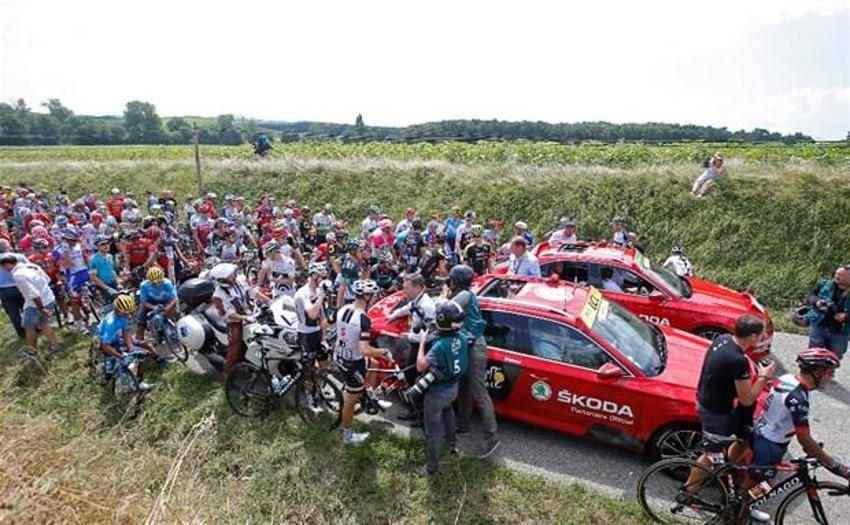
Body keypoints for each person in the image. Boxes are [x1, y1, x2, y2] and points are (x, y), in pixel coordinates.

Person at [684, 315, 774, 496]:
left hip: (707, 399)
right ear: (752, 337)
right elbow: (747, 399)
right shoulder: (737, 360)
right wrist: (764, 377)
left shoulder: (723, 340)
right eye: (762, 335)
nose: (764, 339)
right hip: (715, 411)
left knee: (744, 438)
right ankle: (688, 493)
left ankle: (722, 470)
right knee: (710, 455)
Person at [748, 349, 849, 500]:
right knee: (756, 486)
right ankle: (736, 514)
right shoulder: (798, 398)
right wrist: (836, 466)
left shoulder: (787, 378)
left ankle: (741, 508)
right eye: (830, 373)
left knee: (763, 483)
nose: (832, 378)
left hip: (765, 435)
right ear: (817, 372)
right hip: (770, 445)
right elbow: (805, 439)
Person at [444, 265, 500, 458]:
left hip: (474, 347)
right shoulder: (465, 295)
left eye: (451, 279)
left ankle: (491, 437)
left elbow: (445, 309)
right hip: (467, 344)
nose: (448, 282)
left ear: (456, 281)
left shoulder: (464, 296)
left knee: (478, 391)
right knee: (464, 386)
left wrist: (444, 294)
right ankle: (463, 426)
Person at [416, 300, 469, 476]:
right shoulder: (461, 337)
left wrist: (423, 342)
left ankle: (432, 468)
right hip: (453, 387)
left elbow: (420, 366)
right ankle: (452, 445)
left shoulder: (439, 346)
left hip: (437, 392)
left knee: (432, 432)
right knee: (448, 412)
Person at [335, 279, 390, 445]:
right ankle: (347, 436)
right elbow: (364, 349)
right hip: (352, 362)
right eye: (373, 295)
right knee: (350, 402)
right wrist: (384, 352)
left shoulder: (344, 309)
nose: (374, 298)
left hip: (340, 354)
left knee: (374, 363)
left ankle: (370, 395)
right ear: (366, 296)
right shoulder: (363, 319)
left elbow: (327, 324)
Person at [96, 294, 156, 391]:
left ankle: (139, 381)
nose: (127, 315)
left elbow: (125, 331)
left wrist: (131, 348)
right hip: (105, 342)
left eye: (128, 313)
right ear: (117, 310)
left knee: (144, 355)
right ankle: (107, 375)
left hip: (116, 338)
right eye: (124, 313)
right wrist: (119, 355)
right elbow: (104, 346)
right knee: (109, 373)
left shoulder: (123, 315)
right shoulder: (110, 323)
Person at [2, 253, 59, 354]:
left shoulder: (18, 275)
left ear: (7, 265)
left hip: (35, 304)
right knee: (44, 323)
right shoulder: (32, 266)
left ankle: (31, 351)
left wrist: (41, 308)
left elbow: (34, 294)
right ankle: (54, 346)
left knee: (28, 326)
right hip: (48, 297)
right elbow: (47, 279)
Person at [210, 263, 253, 376]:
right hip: (235, 321)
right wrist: (246, 318)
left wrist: (268, 301)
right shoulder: (218, 296)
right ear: (222, 280)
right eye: (230, 276)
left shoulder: (239, 281)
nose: (234, 276)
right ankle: (227, 372)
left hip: (250, 313)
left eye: (233, 274)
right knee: (235, 342)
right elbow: (229, 315)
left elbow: (253, 292)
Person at [804, 265, 850, 358]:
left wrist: (846, 317)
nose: (837, 276)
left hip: (840, 332)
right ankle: (811, 372)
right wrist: (817, 302)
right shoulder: (825, 284)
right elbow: (810, 297)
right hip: (819, 325)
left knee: (833, 358)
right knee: (814, 355)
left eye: (841, 275)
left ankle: (828, 372)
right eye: (837, 274)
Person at [294, 263, 329, 369]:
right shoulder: (302, 293)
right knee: (310, 369)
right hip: (306, 335)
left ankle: (319, 384)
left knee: (325, 365)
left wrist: (324, 338)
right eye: (322, 277)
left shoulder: (318, 290)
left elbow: (321, 315)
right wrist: (321, 296)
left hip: (317, 332)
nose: (323, 280)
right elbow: (312, 314)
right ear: (314, 276)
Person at [135, 266, 177, 342]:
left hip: (166, 301)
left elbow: (174, 298)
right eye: (154, 283)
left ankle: (172, 328)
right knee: (141, 320)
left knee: (171, 312)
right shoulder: (144, 286)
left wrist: (168, 307)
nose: (157, 284)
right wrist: (153, 307)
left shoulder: (167, 283)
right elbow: (144, 302)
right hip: (151, 302)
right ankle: (139, 341)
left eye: (159, 282)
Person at [0, 241, 27, 338]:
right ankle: (33, 327)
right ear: (8, 246)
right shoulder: (19, 256)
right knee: (27, 307)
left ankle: (22, 333)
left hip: (3, 290)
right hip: (20, 285)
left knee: (13, 313)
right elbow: (29, 268)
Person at [88, 236, 119, 302]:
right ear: (97, 246)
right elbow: (93, 277)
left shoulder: (110, 256)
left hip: (113, 284)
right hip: (102, 288)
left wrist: (118, 282)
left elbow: (112, 270)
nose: (106, 245)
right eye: (102, 244)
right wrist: (107, 289)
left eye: (107, 243)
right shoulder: (93, 259)